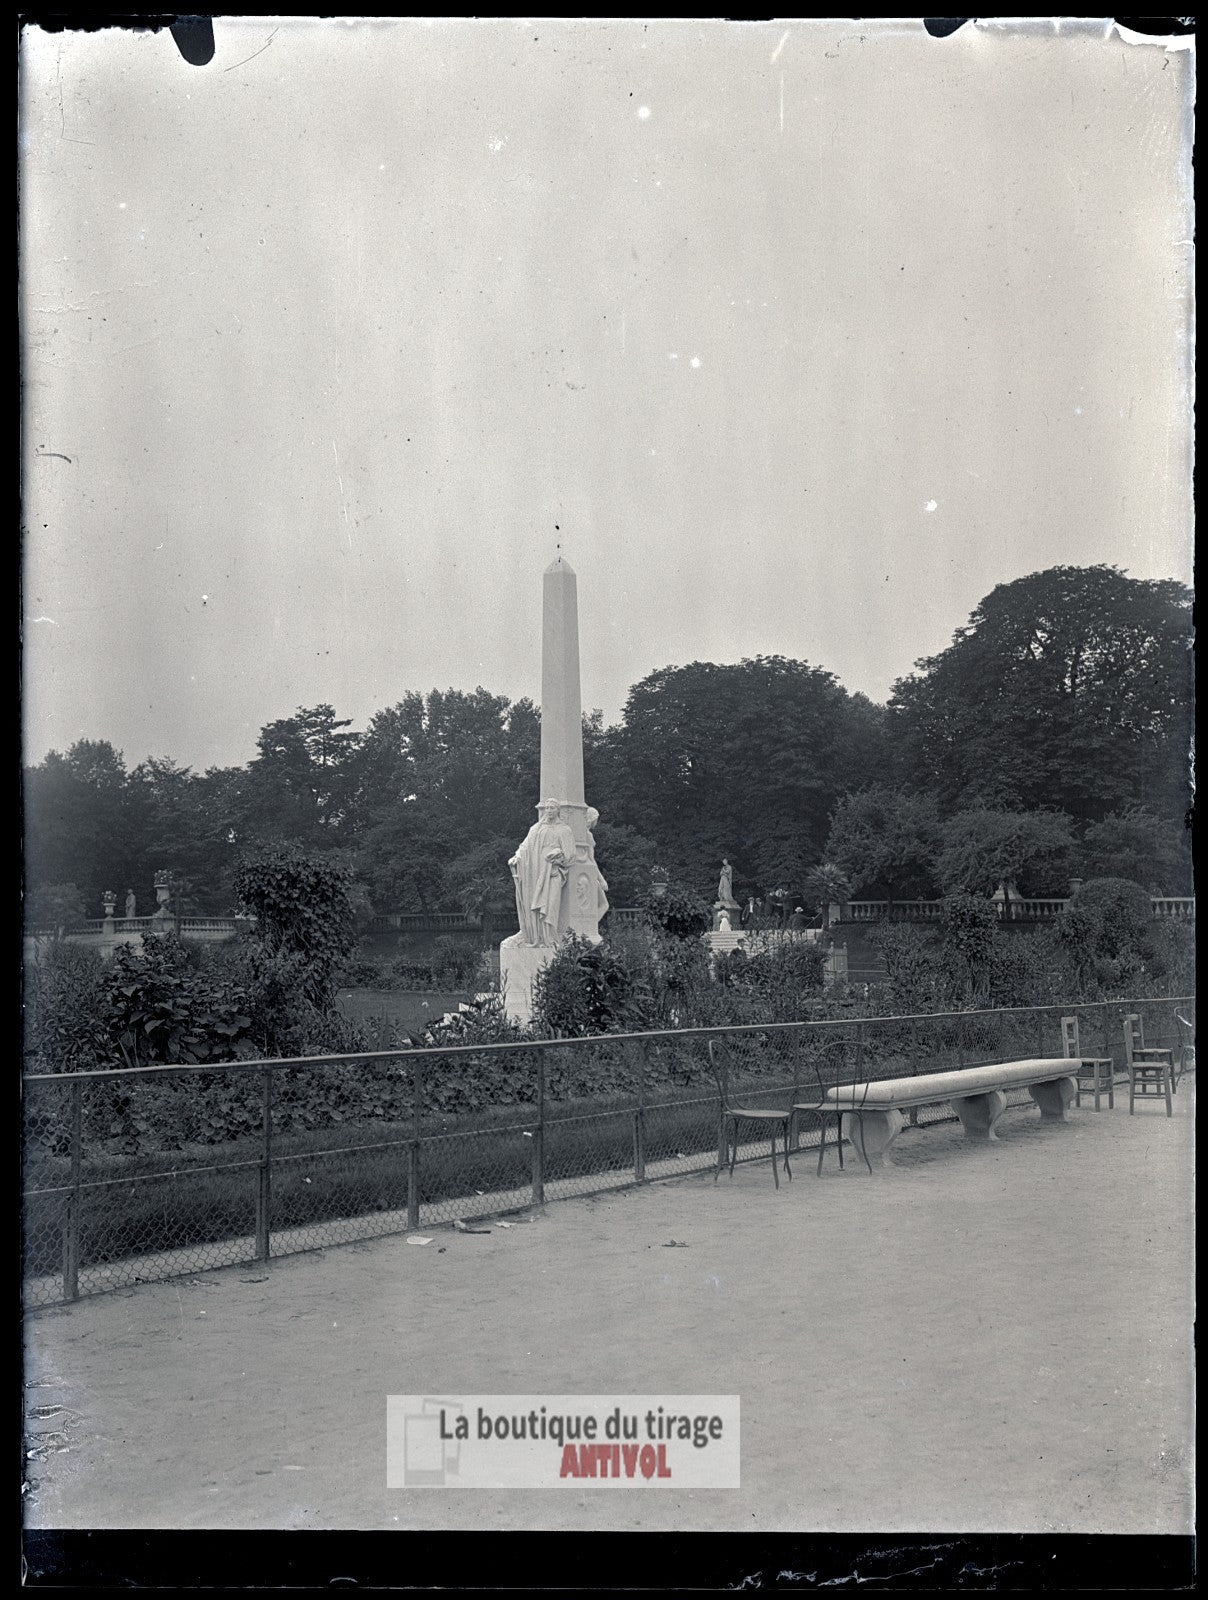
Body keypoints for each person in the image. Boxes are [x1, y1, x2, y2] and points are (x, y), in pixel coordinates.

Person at [509, 799, 576, 946]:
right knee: (537, 906)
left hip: (554, 872)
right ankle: (536, 936)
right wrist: (517, 857)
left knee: (551, 906)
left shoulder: (564, 830)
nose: (549, 810)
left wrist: (559, 854)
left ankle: (551, 939)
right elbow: (525, 846)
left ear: (558, 810)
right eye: (547, 808)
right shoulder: (537, 829)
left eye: (552, 807)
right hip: (537, 871)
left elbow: (570, 855)